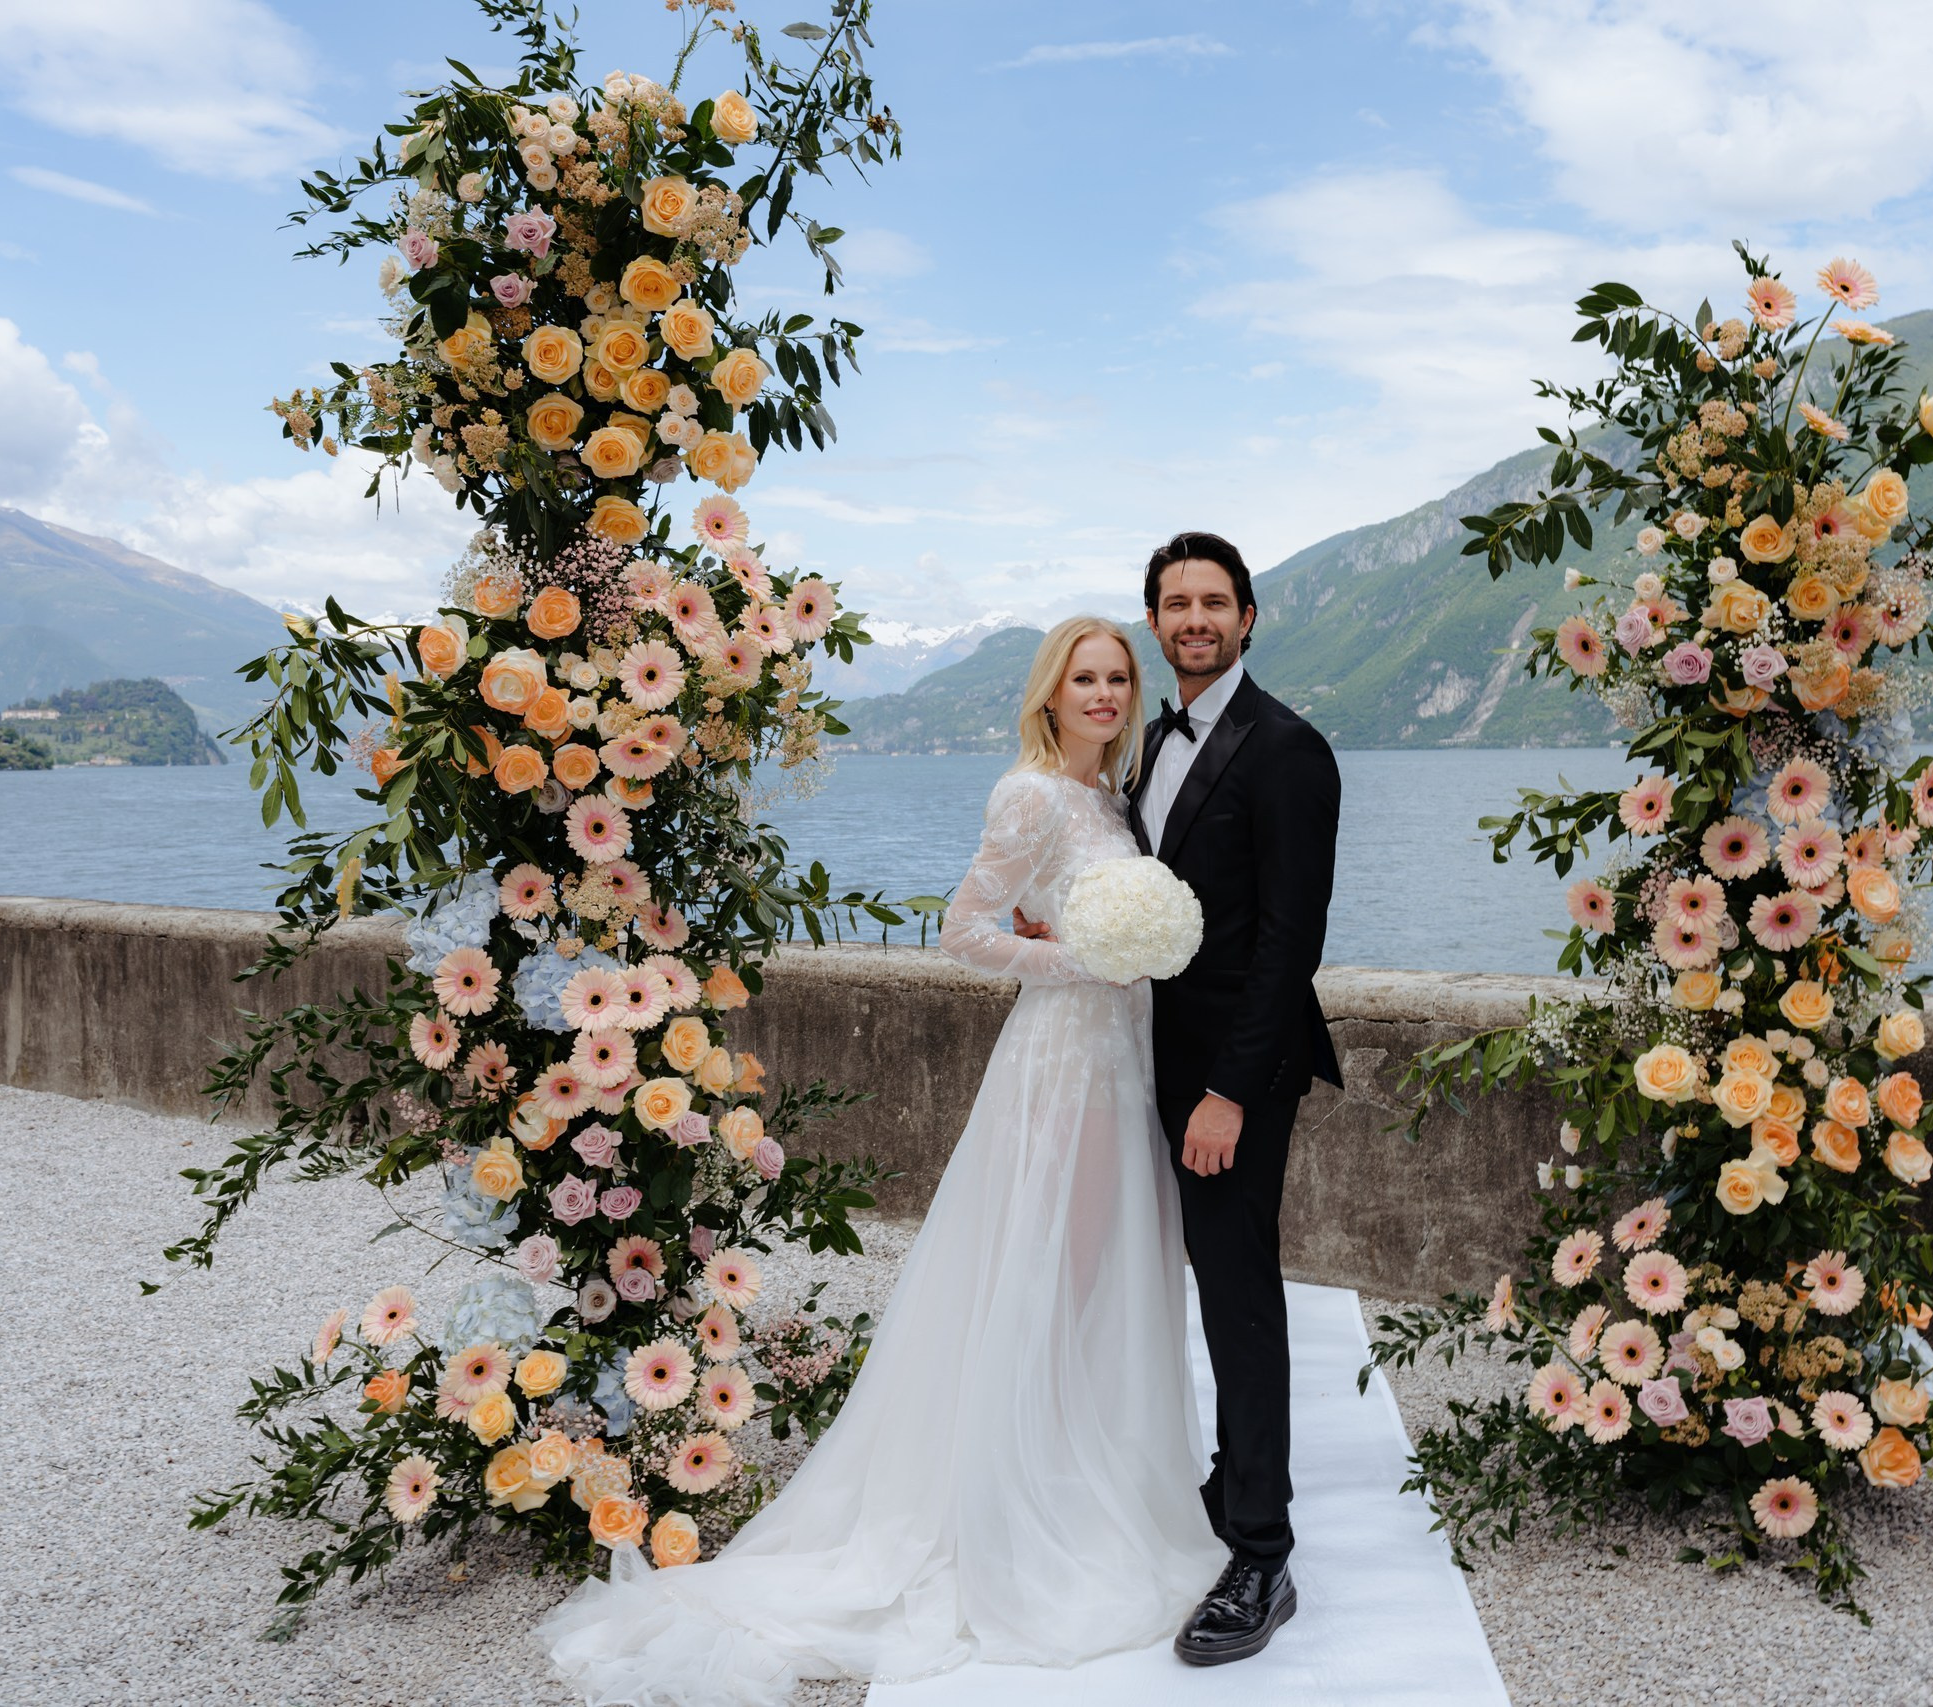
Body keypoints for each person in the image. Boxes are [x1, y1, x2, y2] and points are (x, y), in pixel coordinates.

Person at [540, 615, 1227, 1706]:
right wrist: (1080, 958)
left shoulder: (1111, 799)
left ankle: (1083, 1471)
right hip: (1062, 1059)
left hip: (1124, 1057)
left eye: (1115, 678)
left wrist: (1122, 958)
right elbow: (965, 928)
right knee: (1042, 1272)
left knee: (1100, 1273)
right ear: (1050, 694)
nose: (1102, 694)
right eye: (1083, 678)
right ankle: (1011, 1503)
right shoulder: (1032, 795)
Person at [1128, 529, 1341, 1665]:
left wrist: (1227, 1094)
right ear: (1153, 620)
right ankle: (1226, 1479)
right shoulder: (1146, 743)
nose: (1196, 619)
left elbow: (1287, 945)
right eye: (1177, 603)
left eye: (1215, 602)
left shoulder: (1289, 749)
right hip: (1145, 1057)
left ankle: (1262, 1550)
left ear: (1248, 617)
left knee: (1238, 1297)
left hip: (1233, 1078)